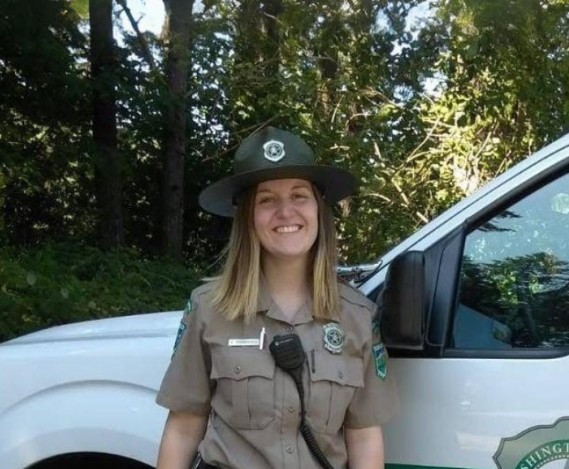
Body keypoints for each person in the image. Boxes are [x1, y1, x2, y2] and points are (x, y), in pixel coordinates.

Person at [154, 127, 399, 469]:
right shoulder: (209, 308)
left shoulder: (356, 316)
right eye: (267, 199)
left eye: (299, 196)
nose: (286, 212)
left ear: (318, 209)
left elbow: (364, 436)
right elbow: (183, 429)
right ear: (248, 218)